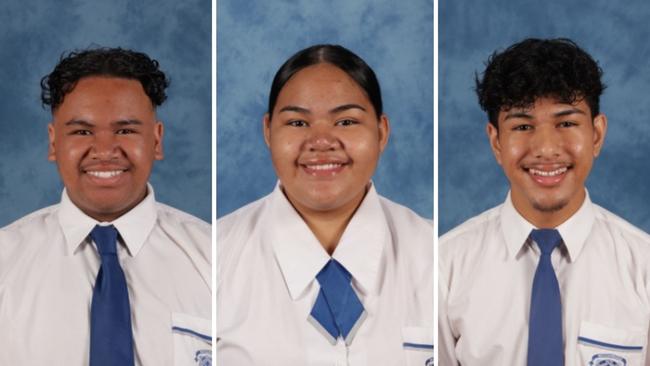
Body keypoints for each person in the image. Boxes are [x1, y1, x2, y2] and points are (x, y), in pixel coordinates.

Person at [217, 44, 433, 365]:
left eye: (346, 122)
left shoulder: (434, 256)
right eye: (297, 123)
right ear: (267, 131)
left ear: (381, 131)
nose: (320, 142)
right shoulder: (216, 255)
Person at [439, 38, 650, 366]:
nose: (546, 148)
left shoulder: (643, 267)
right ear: (496, 141)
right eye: (523, 126)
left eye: (566, 123)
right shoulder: (445, 268)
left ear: (596, 134)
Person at [0, 48, 211, 365]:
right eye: (82, 131)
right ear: (54, 142)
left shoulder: (214, 258)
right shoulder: (6, 261)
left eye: (125, 130)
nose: (104, 150)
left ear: (156, 140)